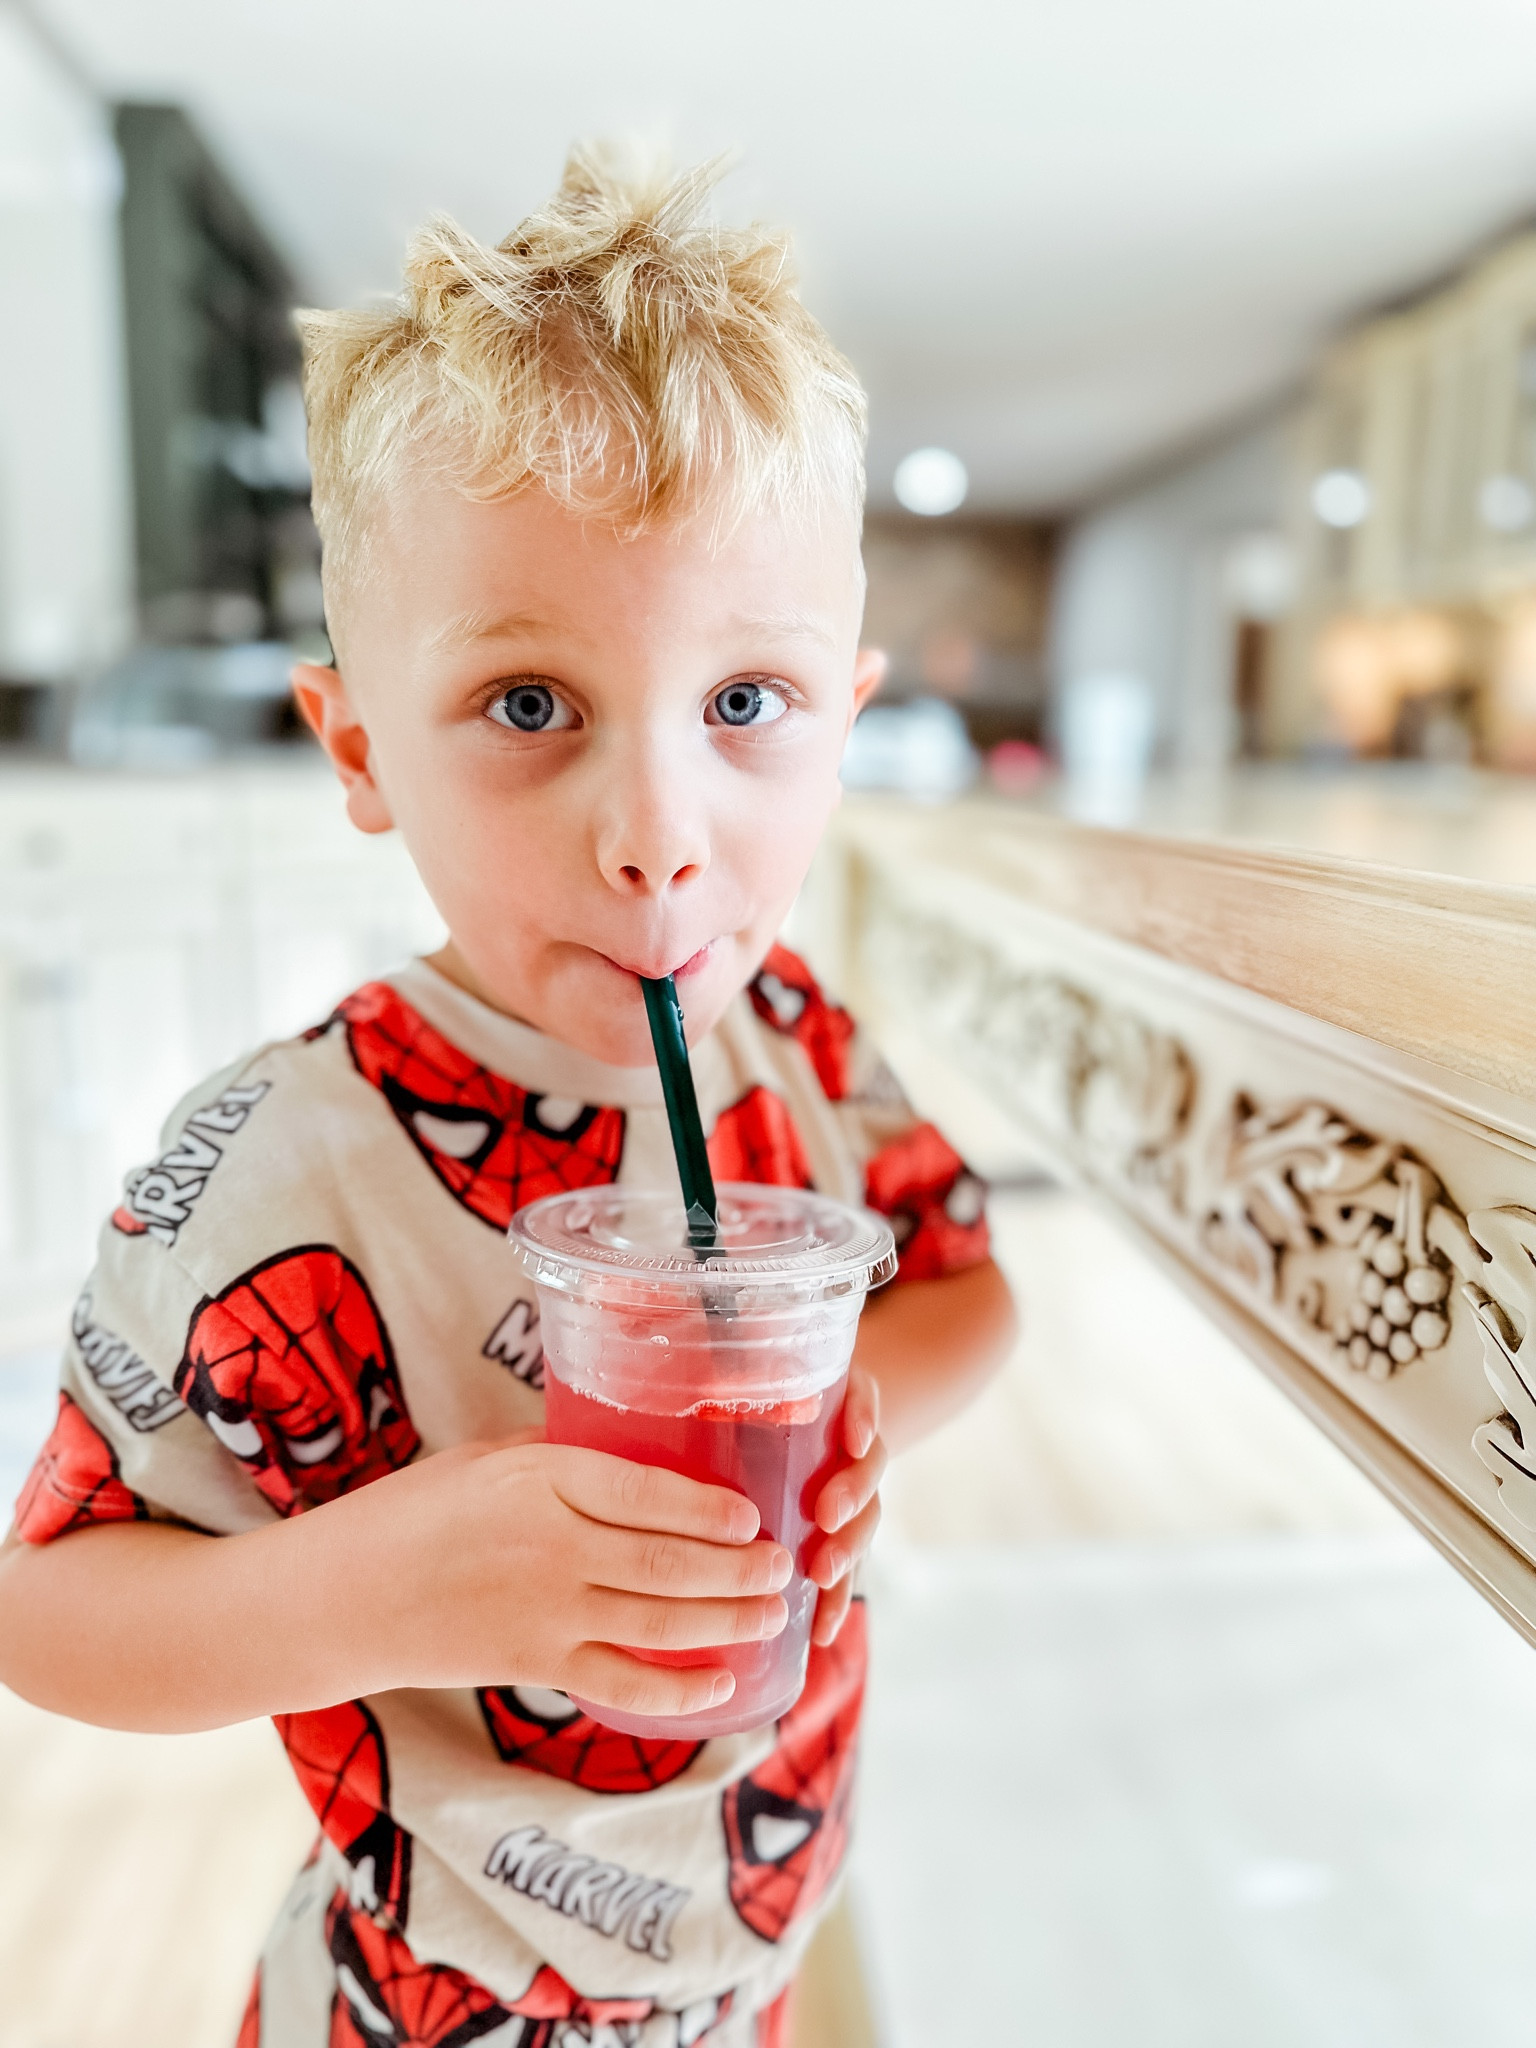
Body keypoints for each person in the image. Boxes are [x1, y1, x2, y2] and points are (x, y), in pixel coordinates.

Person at [0, 147, 1015, 2048]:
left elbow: (967, 1289)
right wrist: (366, 1592)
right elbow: (44, 1617)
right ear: (360, 746)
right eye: (532, 705)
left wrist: (853, 1404)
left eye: (745, 705)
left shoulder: (793, 1029)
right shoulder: (272, 1170)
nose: (657, 841)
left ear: (849, 715)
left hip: (748, 1975)